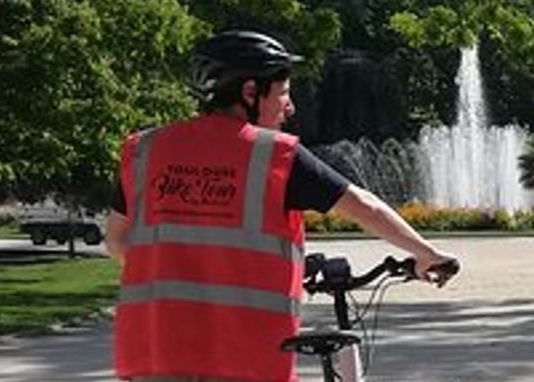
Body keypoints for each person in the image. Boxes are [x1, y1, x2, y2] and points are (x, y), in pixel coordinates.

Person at [105, 29, 458, 382]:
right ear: (249, 93)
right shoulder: (272, 155)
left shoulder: (145, 150)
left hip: (152, 354)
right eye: (284, 93)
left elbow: (118, 242)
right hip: (243, 358)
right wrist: (427, 254)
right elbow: (363, 207)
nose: (290, 106)